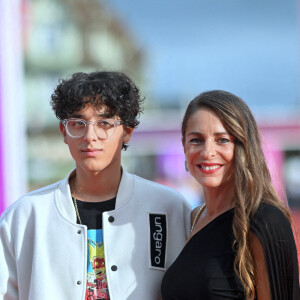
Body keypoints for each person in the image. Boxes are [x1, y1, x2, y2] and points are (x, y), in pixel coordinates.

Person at [0, 71, 191, 300]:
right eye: (78, 124)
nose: (90, 136)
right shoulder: (25, 216)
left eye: (105, 123)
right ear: (64, 132)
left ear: (127, 131)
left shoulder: (168, 207)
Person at [161, 90, 300, 300]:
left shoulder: (265, 220)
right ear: (184, 146)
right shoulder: (193, 218)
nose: (208, 152)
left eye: (222, 140)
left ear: (244, 146)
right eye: (196, 140)